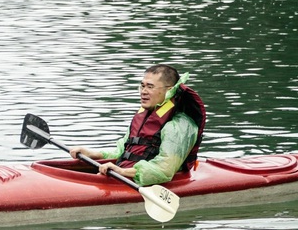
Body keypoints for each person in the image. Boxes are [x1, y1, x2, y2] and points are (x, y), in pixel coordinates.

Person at [68, 65, 206, 187]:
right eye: (142, 85)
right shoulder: (143, 118)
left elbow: (164, 170)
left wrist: (122, 171)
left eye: (150, 87)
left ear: (169, 91)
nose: (143, 91)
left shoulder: (178, 126)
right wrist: (91, 153)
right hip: (126, 173)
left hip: (151, 181)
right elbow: (122, 152)